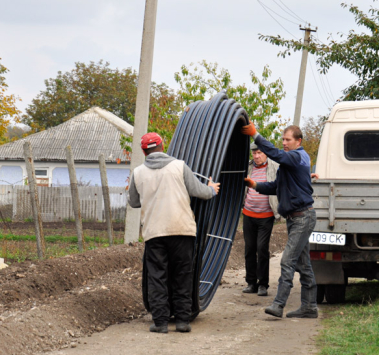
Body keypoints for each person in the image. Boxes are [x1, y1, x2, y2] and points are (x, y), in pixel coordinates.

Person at [127, 132, 220, 334]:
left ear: (144, 151)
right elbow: (200, 192)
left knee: (157, 276)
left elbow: (133, 202)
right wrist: (212, 188)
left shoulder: (138, 172)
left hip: (155, 233)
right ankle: (182, 322)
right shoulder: (180, 166)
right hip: (182, 230)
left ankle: (160, 323)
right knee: (182, 275)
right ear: (162, 146)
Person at [242, 123, 318, 319]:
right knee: (304, 264)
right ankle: (309, 307)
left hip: (302, 217)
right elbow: (277, 186)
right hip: (296, 219)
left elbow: (277, 155)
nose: (284, 143)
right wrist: (256, 185)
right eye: (283, 139)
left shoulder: (296, 156)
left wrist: (256, 135)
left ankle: (278, 305)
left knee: (287, 260)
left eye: (288, 140)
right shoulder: (290, 163)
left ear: (298, 141)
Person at [242, 143, 281, 297]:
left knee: (262, 248)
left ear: (265, 153)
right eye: (254, 153)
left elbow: (287, 178)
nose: (256, 156)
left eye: (259, 153)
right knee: (249, 248)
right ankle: (251, 282)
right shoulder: (248, 167)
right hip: (248, 214)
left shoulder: (275, 167)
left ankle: (262, 284)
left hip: (266, 216)